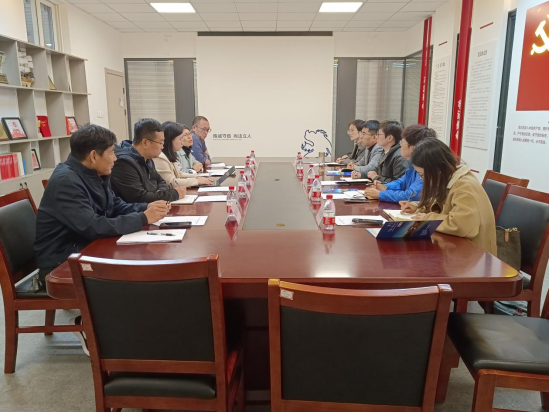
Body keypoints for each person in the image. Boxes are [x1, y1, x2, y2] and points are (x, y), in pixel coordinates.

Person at [34, 125, 171, 353]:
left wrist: (146, 209)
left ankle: (134, 328)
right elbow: (93, 226)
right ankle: (88, 324)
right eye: (111, 152)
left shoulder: (95, 172)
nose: (115, 158)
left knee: (146, 258)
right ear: (93, 155)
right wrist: (142, 218)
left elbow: (115, 206)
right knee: (136, 269)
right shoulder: (67, 181)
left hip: (87, 246)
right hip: (61, 260)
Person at [401, 138, 497, 255]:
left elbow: (461, 225)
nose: (423, 179)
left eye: (423, 175)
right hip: (456, 248)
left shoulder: (464, 188)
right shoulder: (447, 178)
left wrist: (428, 218)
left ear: (437, 169)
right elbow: (437, 203)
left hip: (474, 255)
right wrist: (417, 206)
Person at [111, 118, 186, 203]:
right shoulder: (124, 163)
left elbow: (161, 181)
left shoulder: (148, 158)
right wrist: (175, 194)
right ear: (145, 143)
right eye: (160, 143)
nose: (162, 147)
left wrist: (161, 193)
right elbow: (140, 197)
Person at [364, 125, 436, 202]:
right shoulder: (412, 163)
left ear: (413, 147)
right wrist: (385, 187)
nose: (400, 145)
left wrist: (380, 194)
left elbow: (412, 195)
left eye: (402, 142)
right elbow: (401, 182)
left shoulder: (425, 167)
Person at [154, 122, 213, 188]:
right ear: (170, 140)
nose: (182, 142)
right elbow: (172, 182)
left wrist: (196, 177)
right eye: (180, 138)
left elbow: (179, 174)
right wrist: (197, 181)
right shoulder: (161, 158)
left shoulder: (171, 154)